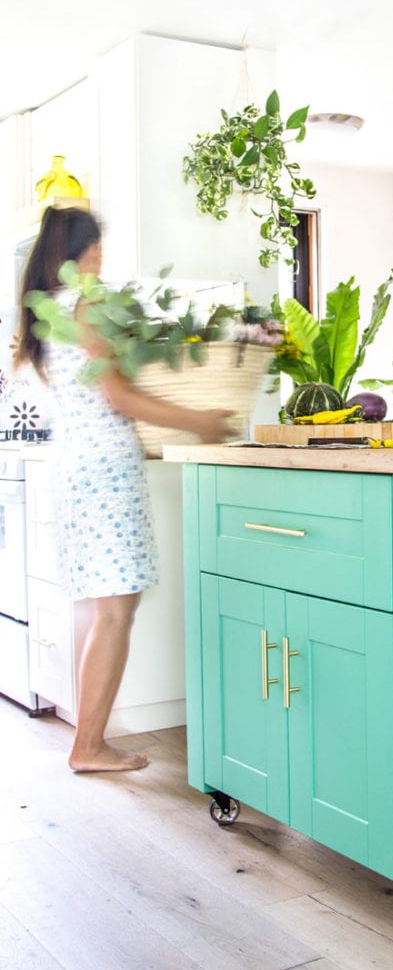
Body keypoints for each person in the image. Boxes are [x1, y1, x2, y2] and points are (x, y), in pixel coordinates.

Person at [15, 205, 233, 773]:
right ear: (85, 252)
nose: (102, 259)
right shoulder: (86, 305)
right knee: (115, 614)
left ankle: (88, 741)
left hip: (79, 467)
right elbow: (119, 397)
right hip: (106, 470)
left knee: (103, 611)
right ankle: (88, 746)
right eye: (99, 249)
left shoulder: (50, 314)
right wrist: (199, 420)